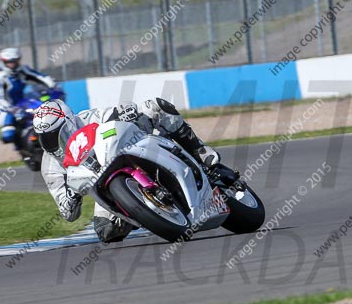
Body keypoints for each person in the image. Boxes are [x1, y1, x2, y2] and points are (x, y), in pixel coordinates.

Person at [32, 98, 221, 243]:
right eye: (45, 139)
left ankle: (199, 150)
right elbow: (68, 213)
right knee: (106, 231)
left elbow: (120, 110)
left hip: (129, 151)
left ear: (71, 121)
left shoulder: (89, 118)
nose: (52, 142)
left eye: (56, 134)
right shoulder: (49, 166)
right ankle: (144, 213)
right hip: (105, 185)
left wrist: (127, 112)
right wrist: (72, 198)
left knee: (154, 106)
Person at [0, 47, 57, 149]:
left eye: (14, 61)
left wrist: (52, 85)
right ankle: (21, 147)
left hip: (26, 102)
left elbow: (40, 76)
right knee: (8, 135)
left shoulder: (23, 70)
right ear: (3, 62)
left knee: (47, 111)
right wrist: (12, 109)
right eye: (9, 62)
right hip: (11, 108)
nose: (12, 64)